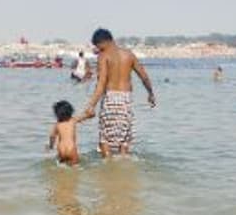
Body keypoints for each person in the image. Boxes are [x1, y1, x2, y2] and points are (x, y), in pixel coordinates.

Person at [81, 29, 156, 157]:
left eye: (97, 45)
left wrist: (91, 105)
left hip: (110, 99)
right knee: (124, 139)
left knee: (105, 138)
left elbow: (101, 84)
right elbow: (144, 77)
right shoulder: (129, 55)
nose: (97, 49)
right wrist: (150, 94)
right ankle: (123, 169)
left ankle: (108, 167)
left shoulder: (104, 56)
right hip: (126, 100)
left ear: (102, 42)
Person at [48, 100, 90, 165]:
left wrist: (51, 146)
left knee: (62, 167)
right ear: (70, 111)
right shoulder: (73, 120)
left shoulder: (57, 125)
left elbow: (52, 136)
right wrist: (90, 114)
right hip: (71, 149)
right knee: (75, 169)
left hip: (61, 150)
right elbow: (86, 116)